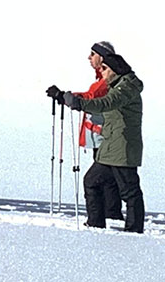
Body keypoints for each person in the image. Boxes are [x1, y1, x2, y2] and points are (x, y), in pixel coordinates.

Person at [61, 48, 144, 232]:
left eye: (105, 68)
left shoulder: (125, 88)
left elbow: (105, 103)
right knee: (92, 181)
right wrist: (68, 98)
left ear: (114, 70)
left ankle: (134, 230)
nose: (102, 72)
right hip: (112, 146)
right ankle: (96, 224)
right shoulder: (118, 86)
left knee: (129, 190)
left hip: (122, 146)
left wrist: (78, 103)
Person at [46, 40, 118, 219]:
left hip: (104, 137)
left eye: (92, 54)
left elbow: (91, 98)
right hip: (101, 137)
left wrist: (66, 98)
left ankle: (101, 217)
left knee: (99, 179)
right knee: (108, 180)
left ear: (102, 57)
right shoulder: (102, 79)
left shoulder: (105, 82)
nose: (89, 58)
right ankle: (110, 215)